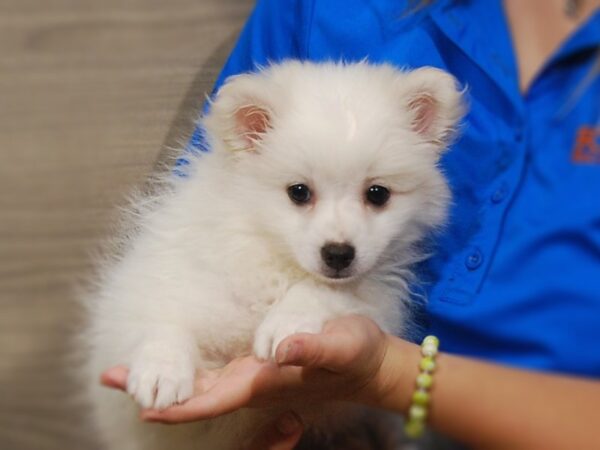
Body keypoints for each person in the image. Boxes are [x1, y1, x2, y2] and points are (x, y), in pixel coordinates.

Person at [102, 0, 600, 448]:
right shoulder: (314, 12)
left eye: (376, 196)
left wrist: (385, 371)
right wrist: (166, 344)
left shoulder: (377, 287)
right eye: (301, 194)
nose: (339, 238)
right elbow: (158, 286)